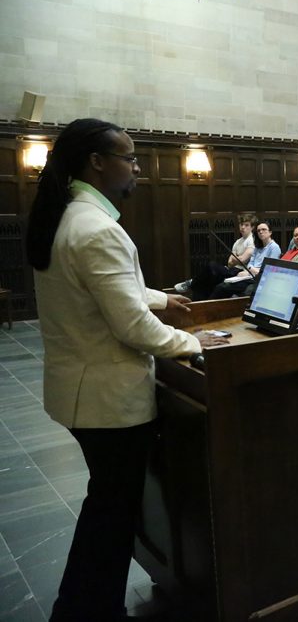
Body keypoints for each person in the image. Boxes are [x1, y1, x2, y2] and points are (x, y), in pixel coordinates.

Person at [26, 118, 228, 621]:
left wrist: (164, 297)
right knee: (109, 517)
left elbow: (106, 293)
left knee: (107, 510)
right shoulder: (97, 229)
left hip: (79, 392)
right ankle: (84, 610)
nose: (137, 167)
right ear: (97, 162)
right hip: (107, 401)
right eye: (130, 157)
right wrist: (189, 340)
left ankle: (82, 606)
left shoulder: (67, 216)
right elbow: (132, 327)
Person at [174, 212, 257, 299]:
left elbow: (242, 260)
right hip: (231, 269)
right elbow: (229, 262)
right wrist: (236, 259)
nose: (243, 227)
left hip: (241, 273)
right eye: (241, 224)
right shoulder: (238, 241)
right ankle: (197, 300)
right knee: (207, 278)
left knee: (212, 265)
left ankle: (191, 283)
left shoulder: (252, 240)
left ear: (252, 227)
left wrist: (236, 258)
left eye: (246, 225)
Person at [209, 221, 281, 298]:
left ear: (270, 232)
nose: (261, 232)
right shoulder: (257, 247)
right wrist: (251, 270)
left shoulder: (274, 247)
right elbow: (250, 264)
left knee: (222, 288)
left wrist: (251, 270)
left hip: (260, 279)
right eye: (259, 230)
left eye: (264, 229)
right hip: (249, 276)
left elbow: (269, 269)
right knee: (221, 285)